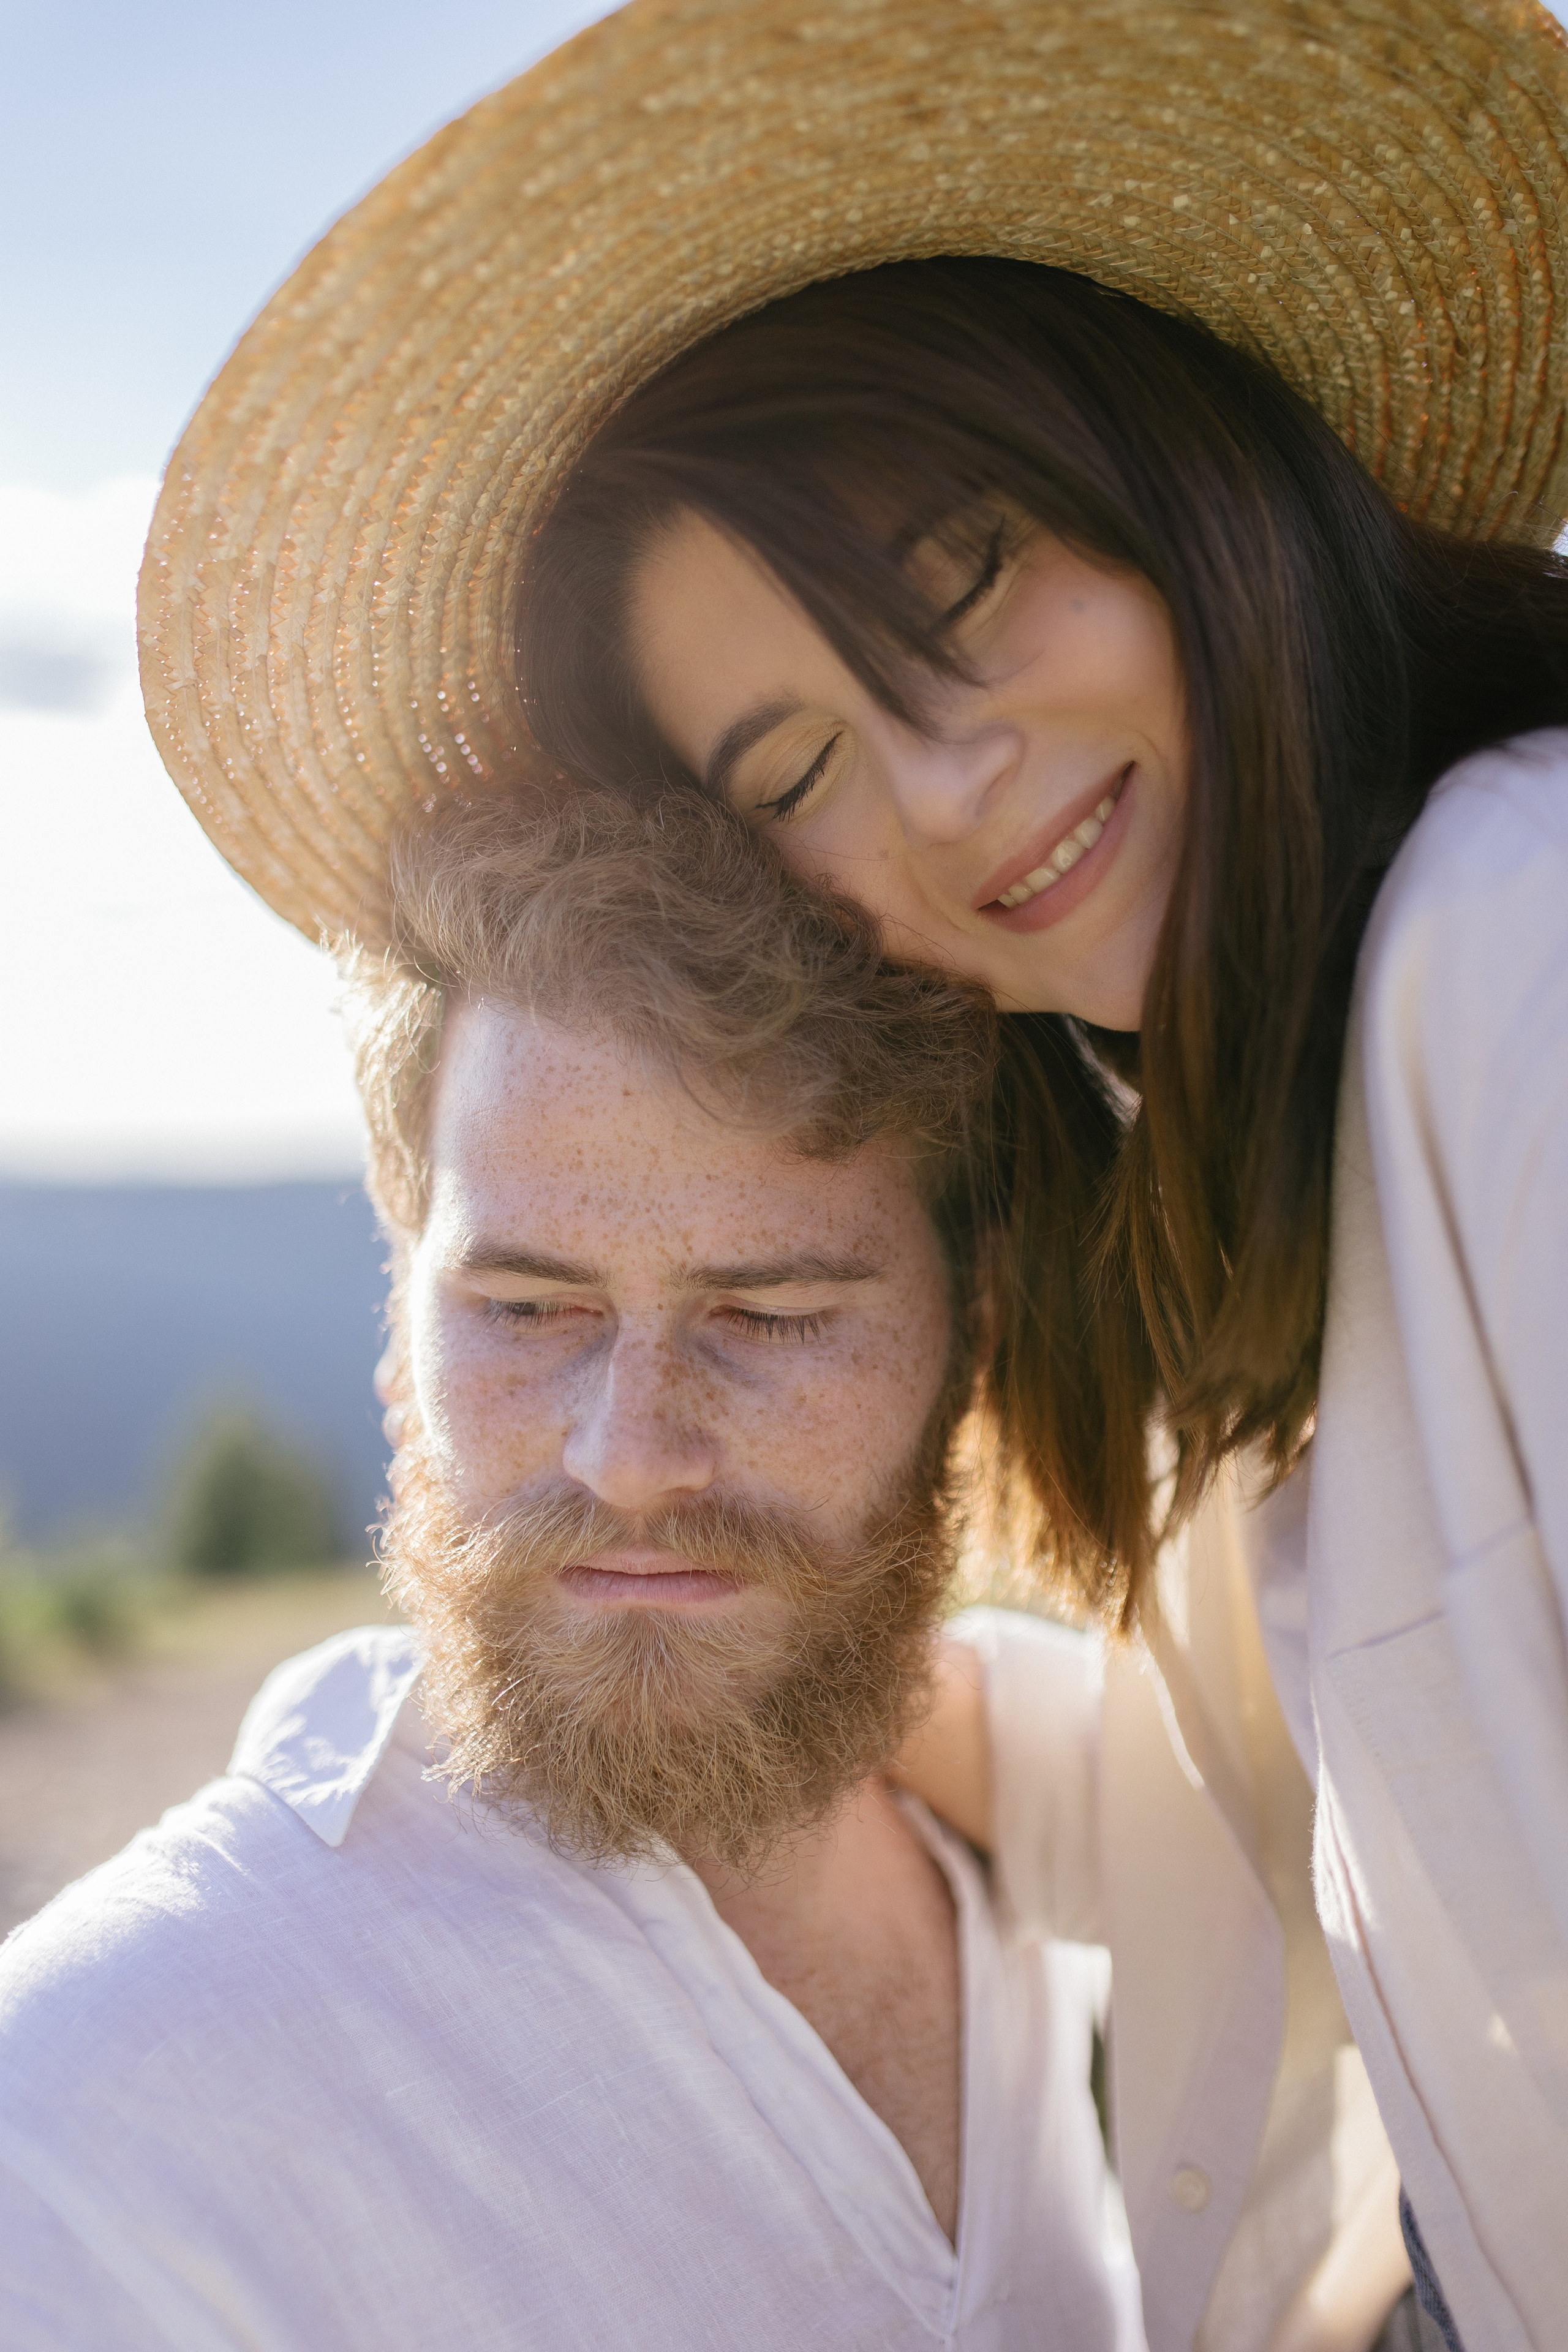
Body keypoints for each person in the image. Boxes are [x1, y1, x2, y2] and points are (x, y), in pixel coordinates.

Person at [132, 2, 1568, 2346]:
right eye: (793, 766)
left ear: (1162, 444)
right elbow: (1353, 1766)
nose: (944, 788)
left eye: (966, 571)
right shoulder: (1238, 1129)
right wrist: (701, 1579)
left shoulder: (1516, 941)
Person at [0, 790, 1142, 2351]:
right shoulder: (91, 2117)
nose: (627, 1455)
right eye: (525, 1311)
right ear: (399, 1326)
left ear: (976, 1334)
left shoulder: (1029, 1850)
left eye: (774, 1316)